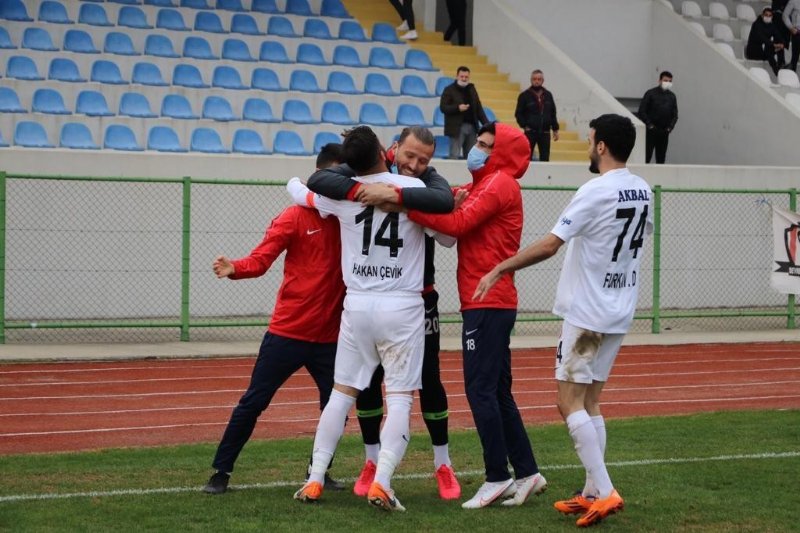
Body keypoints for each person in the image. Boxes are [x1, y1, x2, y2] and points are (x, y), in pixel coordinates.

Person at [473, 114, 653, 528]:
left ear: (602, 146)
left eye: (591, 140)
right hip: (620, 307)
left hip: (588, 311)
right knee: (591, 402)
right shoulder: (643, 188)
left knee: (567, 402)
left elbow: (551, 244)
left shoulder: (595, 190)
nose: (590, 147)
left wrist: (501, 267)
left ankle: (604, 490)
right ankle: (592, 490)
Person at [291, 126, 451, 512]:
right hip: (402, 304)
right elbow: (447, 233)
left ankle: (314, 480)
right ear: (387, 150)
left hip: (358, 304)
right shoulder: (411, 192)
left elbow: (301, 190)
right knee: (399, 398)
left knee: (341, 393)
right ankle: (382, 482)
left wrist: (295, 181)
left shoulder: (343, 193)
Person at [407, 122, 547, 510]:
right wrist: (433, 195)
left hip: (487, 302)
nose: (477, 150)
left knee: (480, 390)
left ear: (501, 152)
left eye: (486, 145)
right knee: (498, 391)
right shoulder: (490, 183)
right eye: (479, 143)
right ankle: (527, 471)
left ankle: (497, 476)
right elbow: (457, 203)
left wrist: (407, 206)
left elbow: (457, 223)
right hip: (491, 302)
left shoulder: (500, 184)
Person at [202, 144, 346, 495]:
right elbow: (262, 258)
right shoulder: (293, 216)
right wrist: (236, 268)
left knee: (335, 409)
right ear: (322, 178)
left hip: (330, 338)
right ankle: (220, 473)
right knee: (254, 402)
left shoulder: (350, 219)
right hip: (288, 333)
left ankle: (319, 471)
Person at [440, 66, 489, 160]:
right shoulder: (449, 89)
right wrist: (457, 108)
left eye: (466, 77)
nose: (464, 79)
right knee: (454, 155)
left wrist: (487, 125)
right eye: (462, 76)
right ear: (457, 76)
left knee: (472, 157)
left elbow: (479, 108)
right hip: (456, 128)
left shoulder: (472, 89)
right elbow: (443, 107)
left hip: (472, 127)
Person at [515, 69, 560, 161]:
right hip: (530, 132)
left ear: (542, 81)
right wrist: (524, 125)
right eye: (534, 79)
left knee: (545, 158)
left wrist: (555, 129)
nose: (537, 81)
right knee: (527, 158)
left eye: (539, 79)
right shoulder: (524, 96)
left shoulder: (548, 95)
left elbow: (553, 112)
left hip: (545, 132)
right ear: (531, 80)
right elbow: (518, 113)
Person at [637, 71, 678, 164]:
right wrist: (650, 125)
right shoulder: (650, 93)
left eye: (670, 81)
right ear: (659, 81)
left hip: (664, 132)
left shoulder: (672, 96)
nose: (667, 83)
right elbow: (642, 111)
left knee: (661, 158)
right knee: (646, 157)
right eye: (665, 80)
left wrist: (669, 128)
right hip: (650, 131)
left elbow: (675, 115)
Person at [745, 7, 786, 75]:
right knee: (768, 48)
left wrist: (782, 44)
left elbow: (778, 36)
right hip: (753, 51)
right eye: (766, 15)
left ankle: (781, 66)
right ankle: (777, 72)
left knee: (779, 48)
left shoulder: (771, 25)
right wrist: (774, 45)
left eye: (770, 16)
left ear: (772, 17)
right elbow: (762, 38)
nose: (768, 17)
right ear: (762, 15)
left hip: (764, 51)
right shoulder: (756, 24)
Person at [782, 0, 800, 72]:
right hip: (797, 33)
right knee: (794, 60)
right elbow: (785, 15)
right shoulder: (793, 1)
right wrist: (791, 27)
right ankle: (792, 79)